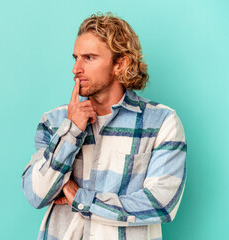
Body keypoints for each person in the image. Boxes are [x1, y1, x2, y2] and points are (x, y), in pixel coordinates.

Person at [21, 12, 187, 240]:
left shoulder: (161, 123)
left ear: (120, 63)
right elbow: (36, 194)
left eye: (89, 58)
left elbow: (160, 204)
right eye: (75, 57)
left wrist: (78, 196)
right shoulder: (54, 122)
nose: (76, 69)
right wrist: (71, 132)